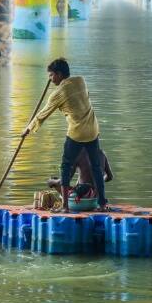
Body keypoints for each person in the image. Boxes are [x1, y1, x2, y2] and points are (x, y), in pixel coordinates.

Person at [24, 58, 108, 209]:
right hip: (93, 129)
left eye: (51, 75)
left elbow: (43, 113)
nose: (50, 79)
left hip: (77, 132)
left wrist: (28, 129)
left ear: (59, 74)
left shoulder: (58, 93)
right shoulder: (81, 81)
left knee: (66, 166)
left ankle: (65, 207)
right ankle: (102, 203)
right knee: (96, 167)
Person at [46, 148, 114, 190]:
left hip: (83, 198)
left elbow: (64, 180)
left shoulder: (79, 154)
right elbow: (110, 177)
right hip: (98, 198)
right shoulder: (101, 153)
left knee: (57, 182)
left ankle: (65, 206)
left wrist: (51, 182)